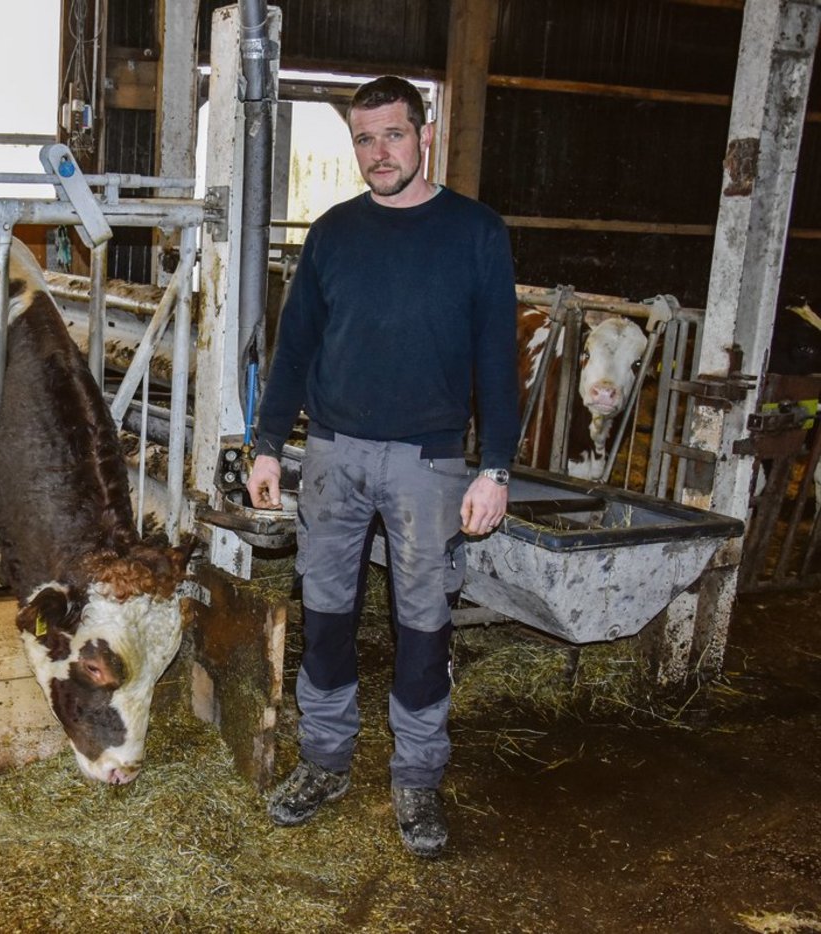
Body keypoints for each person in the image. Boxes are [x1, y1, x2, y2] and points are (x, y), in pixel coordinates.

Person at [246, 75, 519, 858]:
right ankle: (325, 760)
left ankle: (418, 778)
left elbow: (498, 360)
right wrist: (266, 445)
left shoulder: (475, 232)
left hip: (430, 463)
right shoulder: (334, 233)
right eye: (364, 139)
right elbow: (294, 346)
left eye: (393, 135)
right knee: (326, 614)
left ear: (424, 133)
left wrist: (494, 467)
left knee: (423, 625)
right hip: (332, 453)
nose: (378, 153)